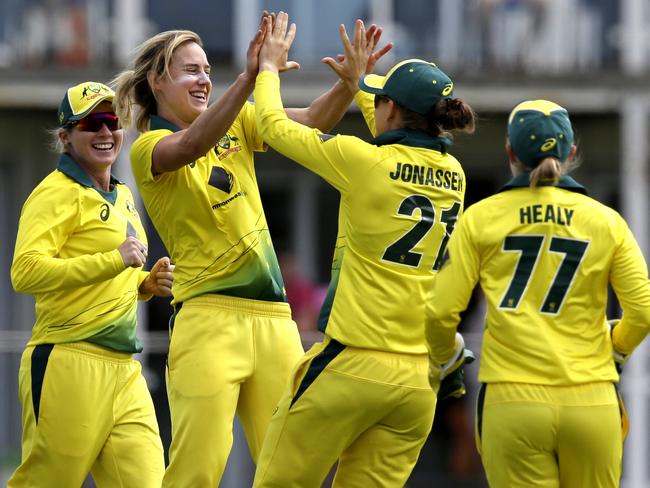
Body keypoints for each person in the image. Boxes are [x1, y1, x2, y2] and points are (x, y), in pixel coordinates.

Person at [112, 13, 391, 487]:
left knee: (292, 467)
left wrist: (349, 84)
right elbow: (194, 144)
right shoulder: (148, 147)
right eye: (190, 71)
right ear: (157, 82)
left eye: (205, 70)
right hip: (208, 319)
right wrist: (251, 76)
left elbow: (307, 122)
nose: (203, 80)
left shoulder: (237, 119)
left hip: (274, 321)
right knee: (199, 467)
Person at [252, 12, 477, 486]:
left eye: (379, 102)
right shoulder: (454, 175)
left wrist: (268, 69)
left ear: (391, 109)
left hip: (350, 363)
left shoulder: (363, 161)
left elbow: (271, 125)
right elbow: (398, 141)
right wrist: (359, 86)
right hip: (417, 383)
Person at [425, 99, 650, 487]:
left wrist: (447, 362)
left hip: (513, 402)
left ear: (510, 152)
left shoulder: (481, 217)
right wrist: (616, 347)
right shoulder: (607, 221)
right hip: (591, 400)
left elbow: (438, 313)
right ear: (572, 153)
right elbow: (643, 312)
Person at [8, 81, 174, 488]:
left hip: (124, 369)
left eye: (113, 121)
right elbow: (24, 272)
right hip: (68, 360)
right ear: (66, 137)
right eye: (92, 124)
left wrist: (143, 283)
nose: (106, 132)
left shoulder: (122, 194)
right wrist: (112, 260)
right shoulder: (53, 194)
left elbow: (108, 274)